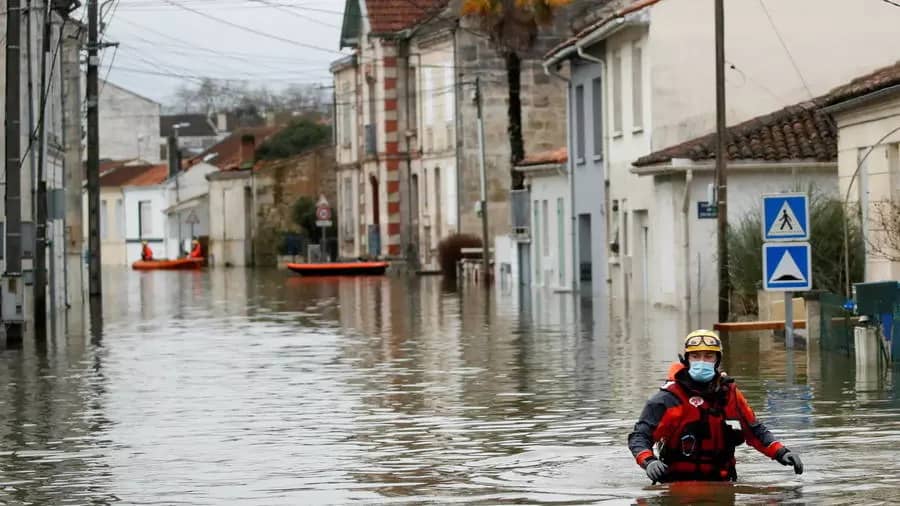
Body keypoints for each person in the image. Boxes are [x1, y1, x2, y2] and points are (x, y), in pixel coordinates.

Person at [628, 329, 803, 483]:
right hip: (677, 484)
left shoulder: (728, 393)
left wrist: (781, 452)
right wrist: (649, 461)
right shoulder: (668, 398)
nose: (702, 361)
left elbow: (754, 431)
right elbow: (640, 436)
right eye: (695, 356)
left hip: (721, 481)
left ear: (717, 360)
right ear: (687, 359)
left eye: (708, 356)